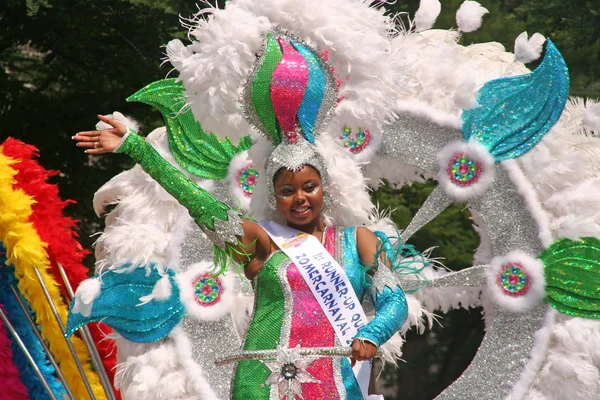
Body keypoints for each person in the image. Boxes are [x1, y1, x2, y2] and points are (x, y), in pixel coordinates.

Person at [73, 29, 410, 400]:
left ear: (324, 187)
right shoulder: (260, 242)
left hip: (339, 384)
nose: (299, 198)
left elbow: (393, 302)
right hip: (263, 386)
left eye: (309, 187)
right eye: (287, 191)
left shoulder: (359, 241)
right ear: (275, 196)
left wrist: (371, 334)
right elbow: (194, 199)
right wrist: (136, 146)